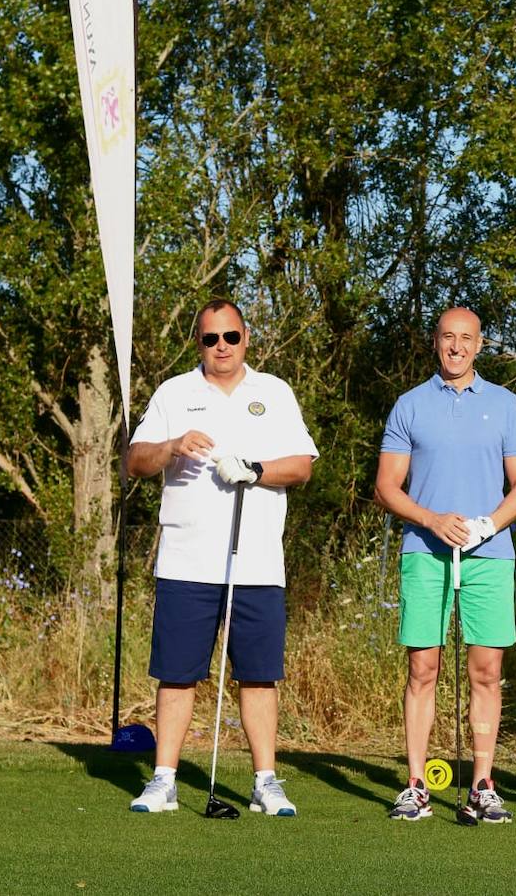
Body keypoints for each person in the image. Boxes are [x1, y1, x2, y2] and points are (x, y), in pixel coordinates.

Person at [126, 298, 318, 816]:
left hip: (256, 562)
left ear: (246, 338)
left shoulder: (273, 392)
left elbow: (302, 466)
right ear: (199, 343)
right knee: (177, 673)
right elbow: (135, 460)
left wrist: (255, 470)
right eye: (211, 339)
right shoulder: (174, 392)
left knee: (257, 674)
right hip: (186, 559)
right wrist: (171, 447)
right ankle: (164, 779)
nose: (222, 348)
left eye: (230, 337)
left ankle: (265, 782)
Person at [375, 307, 516, 823]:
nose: (457, 347)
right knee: (423, 667)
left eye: (466, 338)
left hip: (489, 554)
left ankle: (483, 784)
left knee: (486, 669)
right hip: (426, 550)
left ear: (480, 344)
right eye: (448, 337)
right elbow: (386, 486)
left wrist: (489, 524)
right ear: (436, 342)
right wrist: (431, 519)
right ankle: (416, 784)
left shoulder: (505, 404)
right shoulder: (410, 405)